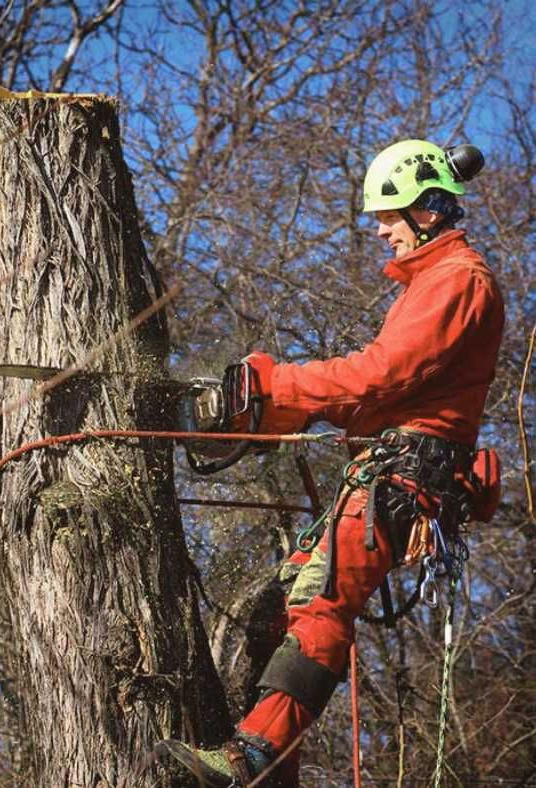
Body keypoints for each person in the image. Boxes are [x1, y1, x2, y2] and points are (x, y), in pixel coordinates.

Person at [157, 139, 504, 786]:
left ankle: (248, 758)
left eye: (388, 216)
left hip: (403, 475)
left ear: (426, 209)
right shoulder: (433, 282)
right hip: (383, 469)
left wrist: (274, 389)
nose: (380, 230)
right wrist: (272, 408)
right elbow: (369, 397)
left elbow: (379, 378)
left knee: (320, 602)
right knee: (283, 604)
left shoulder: (459, 282)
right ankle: (269, 762)